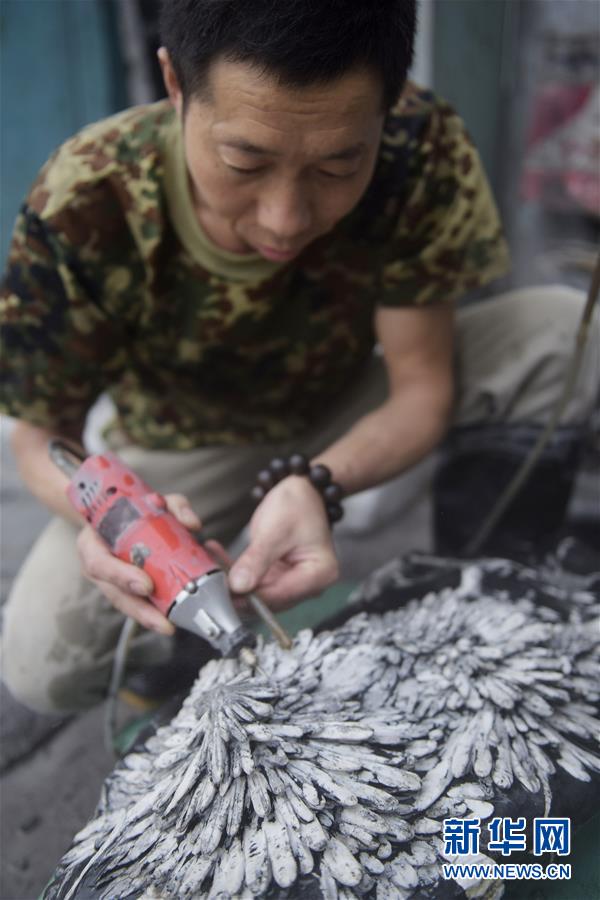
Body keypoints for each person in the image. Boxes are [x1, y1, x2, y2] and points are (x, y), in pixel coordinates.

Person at [0, 0, 597, 715]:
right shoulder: (87, 196)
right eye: (244, 162)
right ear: (175, 83)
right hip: (183, 450)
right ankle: (187, 650)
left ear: (387, 104)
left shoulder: (420, 144)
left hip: (352, 401)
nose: (286, 218)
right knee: (43, 665)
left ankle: (482, 599)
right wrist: (112, 523)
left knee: (559, 332)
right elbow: (41, 436)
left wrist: (318, 483)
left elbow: (421, 389)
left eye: (339, 165)